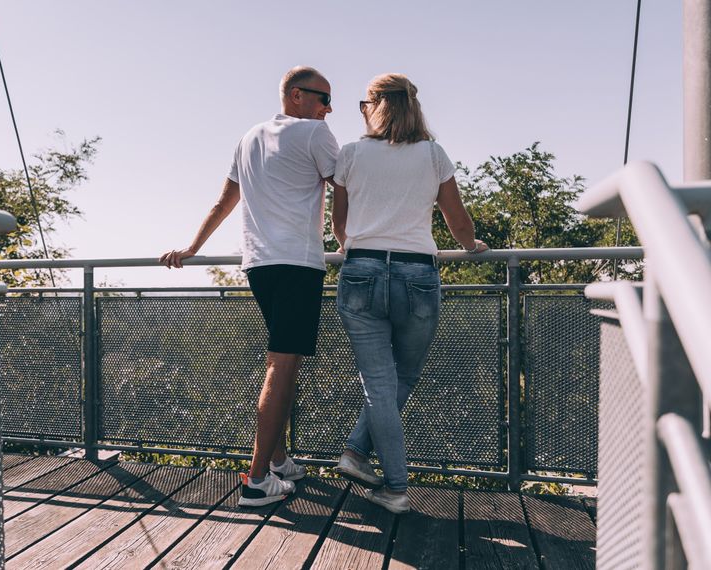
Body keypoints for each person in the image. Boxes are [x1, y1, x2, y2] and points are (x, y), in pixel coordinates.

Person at [160, 66, 339, 507]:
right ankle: (257, 481)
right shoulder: (316, 135)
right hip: (298, 263)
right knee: (283, 367)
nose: (328, 109)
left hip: (258, 264)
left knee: (280, 360)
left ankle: (279, 463)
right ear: (296, 95)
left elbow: (225, 201)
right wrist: (351, 241)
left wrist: (192, 246)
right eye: (323, 98)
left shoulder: (249, 136)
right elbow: (348, 185)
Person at [330, 73, 488, 513]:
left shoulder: (350, 154)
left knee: (378, 384)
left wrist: (357, 247)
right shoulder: (433, 154)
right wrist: (470, 246)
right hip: (417, 275)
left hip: (360, 272)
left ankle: (362, 457)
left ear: (374, 107)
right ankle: (382, 475)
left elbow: (338, 227)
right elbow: (458, 223)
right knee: (404, 376)